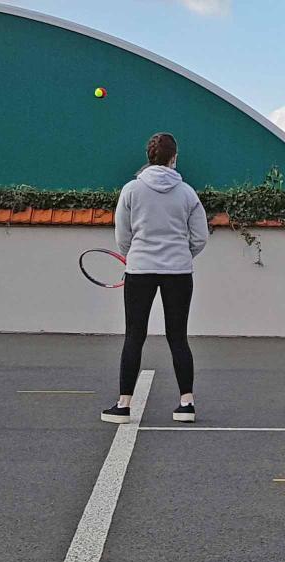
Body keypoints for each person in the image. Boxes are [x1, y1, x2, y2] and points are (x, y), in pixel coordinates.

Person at [102, 132, 208, 425]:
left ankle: (123, 405)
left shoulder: (131, 190)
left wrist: (136, 255)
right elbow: (200, 237)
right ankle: (186, 404)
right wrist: (181, 255)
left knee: (134, 335)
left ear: (148, 157)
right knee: (178, 337)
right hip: (178, 271)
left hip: (140, 270)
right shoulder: (187, 192)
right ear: (174, 157)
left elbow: (123, 236)